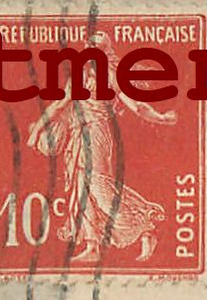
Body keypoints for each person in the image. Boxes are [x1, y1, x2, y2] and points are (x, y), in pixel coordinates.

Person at [24, 32, 178, 262]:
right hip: (77, 135)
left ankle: (146, 226)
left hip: (97, 132)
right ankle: (92, 246)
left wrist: (162, 118)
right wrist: (37, 130)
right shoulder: (79, 75)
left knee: (98, 186)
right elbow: (60, 104)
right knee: (80, 188)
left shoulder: (112, 76)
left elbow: (135, 104)